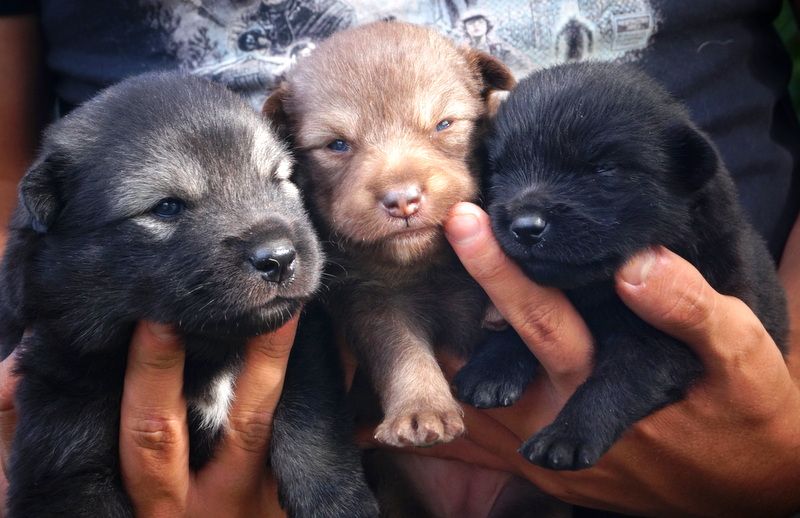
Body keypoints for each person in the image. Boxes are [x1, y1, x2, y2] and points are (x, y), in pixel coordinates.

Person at [1, 1, 799, 516]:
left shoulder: (529, 192)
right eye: (334, 146)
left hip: (724, 411)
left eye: (447, 126)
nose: (400, 186)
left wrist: (782, 452)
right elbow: (19, 181)